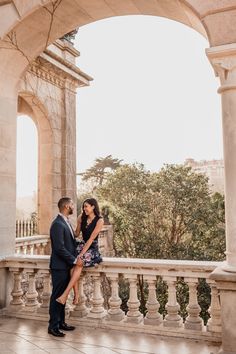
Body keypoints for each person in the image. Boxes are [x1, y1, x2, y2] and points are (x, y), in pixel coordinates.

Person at [56, 197, 104, 305]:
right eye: (83, 206)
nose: (84, 209)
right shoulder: (81, 218)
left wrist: (81, 254)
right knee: (72, 267)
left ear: (93, 207)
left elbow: (91, 239)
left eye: (86, 206)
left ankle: (64, 295)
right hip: (82, 245)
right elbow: (76, 234)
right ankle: (76, 295)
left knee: (78, 263)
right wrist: (65, 228)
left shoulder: (99, 220)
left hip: (91, 248)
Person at [48, 197, 83, 337]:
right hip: (59, 266)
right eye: (72, 205)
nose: (74, 206)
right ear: (67, 206)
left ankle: (61, 322)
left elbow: (70, 241)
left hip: (65, 266)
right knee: (57, 296)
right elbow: (59, 248)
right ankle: (53, 326)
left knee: (63, 295)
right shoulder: (57, 224)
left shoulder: (66, 222)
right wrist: (75, 260)